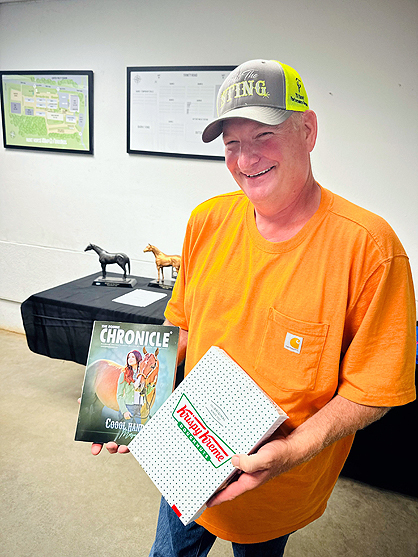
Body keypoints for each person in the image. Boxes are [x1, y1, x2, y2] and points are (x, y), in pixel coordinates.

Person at [92, 59, 416, 556]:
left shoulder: (369, 248)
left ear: (307, 130)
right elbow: (181, 326)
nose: (246, 159)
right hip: (187, 457)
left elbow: (373, 389)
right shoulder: (207, 221)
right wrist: (131, 406)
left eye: (264, 135)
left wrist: (292, 450)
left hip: (276, 484)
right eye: (232, 144)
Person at [116, 349, 143, 422]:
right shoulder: (124, 374)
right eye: (128, 357)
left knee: (137, 429)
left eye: (133, 357)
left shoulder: (142, 374)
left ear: (138, 358)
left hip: (138, 408)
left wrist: (152, 385)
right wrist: (124, 411)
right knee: (125, 429)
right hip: (128, 407)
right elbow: (119, 395)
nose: (130, 359)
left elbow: (145, 392)